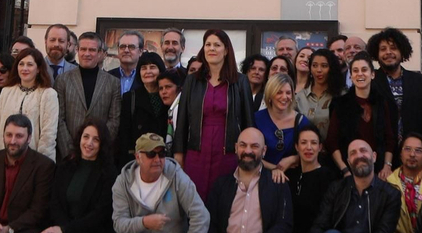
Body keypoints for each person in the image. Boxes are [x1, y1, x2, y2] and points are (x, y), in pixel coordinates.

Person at [35, 119, 119, 233]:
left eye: (95, 140)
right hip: (67, 232)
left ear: (102, 144)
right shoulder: (66, 166)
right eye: (86, 137)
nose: (89, 143)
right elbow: (55, 204)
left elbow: (100, 214)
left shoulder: (109, 173)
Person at [174, 29, 253, 201]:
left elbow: (248, 121)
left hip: (228, 152)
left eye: (217, 45)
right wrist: (178, 152)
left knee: (224, 200)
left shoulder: (240, 82)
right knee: (194, 200)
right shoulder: (192, 80)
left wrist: (249, 151)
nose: (212, 49)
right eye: (208, 44)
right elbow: (182, 121)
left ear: (226, 50)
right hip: (196, 151)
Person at [327, 52, 397, 176]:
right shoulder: (340, 104)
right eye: (355, 70)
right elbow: (332, 141)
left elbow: (389, 138)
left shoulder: (381, 102)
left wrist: (387, 166)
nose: (360, 74)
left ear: (373, 74)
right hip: (349, 170)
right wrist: (345, 170)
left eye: (364, 70)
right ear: (351, 76)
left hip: (378, 171)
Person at [56, 32, 121, 161]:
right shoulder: (63, 80)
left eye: (92, 50)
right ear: (77, 50)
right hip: (69, 156)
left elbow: (114, 120)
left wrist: (98, 147)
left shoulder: (113, 82)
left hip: (99, 157)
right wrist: (70, 151)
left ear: (99, 53)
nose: (87, 54)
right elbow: (59, 119)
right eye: (83, 49)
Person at [0, 47, 59, 161]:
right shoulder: (6, 91)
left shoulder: (48, 94)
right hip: (3, 159)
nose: (24, 68)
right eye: (21, 64)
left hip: (32, 161)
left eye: (30, 64)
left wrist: (42, 166)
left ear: (38, 69)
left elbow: (48, 135)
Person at [369, 27, 422, 141]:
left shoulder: (421, 82)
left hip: (413, 150)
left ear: (402, 52)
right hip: (381, 148)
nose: (388, 52)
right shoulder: (371, 82)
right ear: (377, 53)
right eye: (383, 49)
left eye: (393, 48)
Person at [286, 124, 337, 233]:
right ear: (297, 147)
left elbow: (326, 215)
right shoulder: (290, 175)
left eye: (313, 143)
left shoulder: (328, 177)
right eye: (303, 143)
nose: (308, 148)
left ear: (320, 147)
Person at [254, 73, 311, 172]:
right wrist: (275, 168)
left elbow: (312, 150)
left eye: (288, 93)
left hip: (292, 180)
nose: (284, 97)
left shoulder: (301, 121)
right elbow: (249, 154)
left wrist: (294, 159)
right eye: (279, 92)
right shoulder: (256, 119)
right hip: (262, 178)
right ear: (270, 95)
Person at [119, 51, 169, 163]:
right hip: (138, 160)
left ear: (160, 70)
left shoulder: (168, 96)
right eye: (144, 68)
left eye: (152, 67)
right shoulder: (130, 98)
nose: (148, 72)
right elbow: (124, 136)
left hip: (163, 157)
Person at [294, 47, 339, 142]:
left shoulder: (340, 95)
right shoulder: (299, 98)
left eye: (324, 66)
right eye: (314, 65)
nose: (319, 70)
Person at [110, 30, 143, 95]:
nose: (126, 50)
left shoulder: (146, 77)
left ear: (140, 51)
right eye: (122, 47)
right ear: (118, 50)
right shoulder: (108, 77)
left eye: (131, 47)